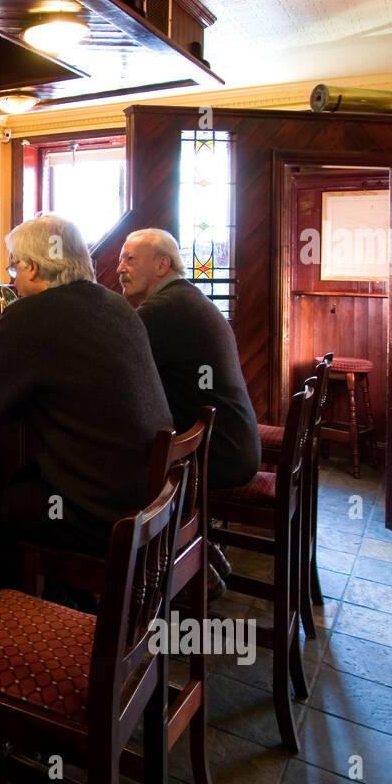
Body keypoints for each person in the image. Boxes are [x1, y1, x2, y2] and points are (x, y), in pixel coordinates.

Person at [0, 215, 173, 609]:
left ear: (33, 268)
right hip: (149, 498)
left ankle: (58, 616)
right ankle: (75, 606)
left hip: (98, 511)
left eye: (13, 266)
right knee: (21, 484)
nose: (12, 278)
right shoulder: (116, 304)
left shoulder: (32, 314)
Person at [117, 228, 261, 597]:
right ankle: (198, 552)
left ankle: (180, 567)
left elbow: (116, 368)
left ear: (162, 264)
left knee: (122, 473)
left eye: (130, 259)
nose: (119, 268)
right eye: (121, 259)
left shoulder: (163, 310)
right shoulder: (184, 297)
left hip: (220, 455)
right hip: (232, 442)